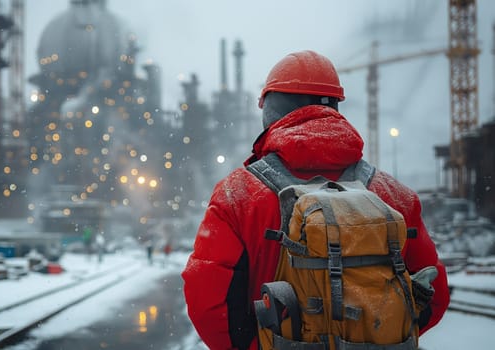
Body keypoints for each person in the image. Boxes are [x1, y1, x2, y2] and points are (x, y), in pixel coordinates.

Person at [181, 50, 450, 350]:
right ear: (334, 106)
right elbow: (432, 293)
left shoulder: (238, 195)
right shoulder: (393, 195)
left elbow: (207, 302)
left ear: (270, 110)